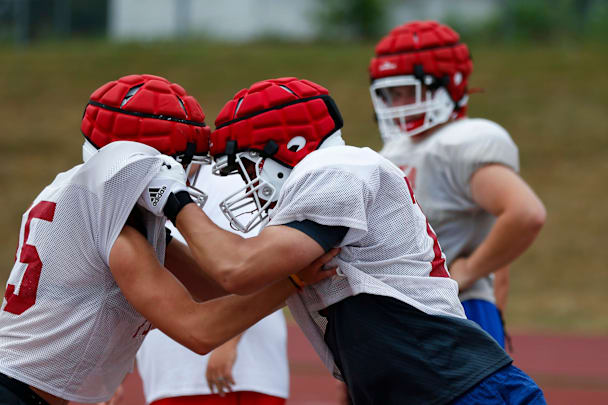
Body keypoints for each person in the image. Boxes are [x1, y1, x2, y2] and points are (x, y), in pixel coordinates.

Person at [0, 74, 336, 405]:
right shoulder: (117, 232)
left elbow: (215, 284)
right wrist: (293, 281)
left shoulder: (96, 203)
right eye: (175, 164)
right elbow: (199, 331)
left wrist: (288, 257)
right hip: (0, 395)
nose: (182, 174)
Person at [156, 77, 546, 404]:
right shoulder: (322, 191)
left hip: (456, 388)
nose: (247, 185)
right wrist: (156, 235)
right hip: (419, 389)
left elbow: (235, 270)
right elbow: (217, 289)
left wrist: (171, 198)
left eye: (247, 167)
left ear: (291, 147)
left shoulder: (338, 168)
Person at [369, 20, 546, 347]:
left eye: (411, 90)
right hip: (402, 313)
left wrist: (468, 270)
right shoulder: (395, 150)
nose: (401, 103)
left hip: (456, 310)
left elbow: (524, 214)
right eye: (392, 93)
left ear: (449, 86)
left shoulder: (462, 143)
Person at [135, 172, 289, 405]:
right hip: (167, 372)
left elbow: (253, 267)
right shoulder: (138, 183)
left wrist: (229, 342)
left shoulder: (231, 179)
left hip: (239, 371)